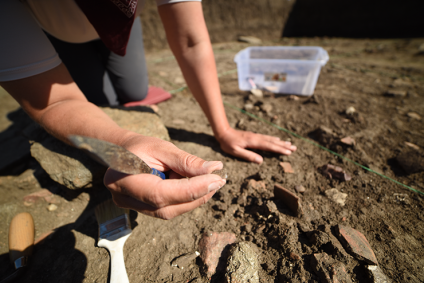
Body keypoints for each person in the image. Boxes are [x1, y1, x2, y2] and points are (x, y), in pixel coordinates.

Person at [0, 0, 296, 220]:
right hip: (58, 33)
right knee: (98, 98)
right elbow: (57, 101)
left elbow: (192, 42)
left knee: (135, 90)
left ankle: (121, 31)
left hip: (119, 23)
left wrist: (224, 130)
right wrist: (123, 145)